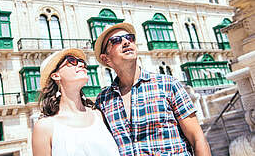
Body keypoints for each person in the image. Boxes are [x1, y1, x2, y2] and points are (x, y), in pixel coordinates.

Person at [94, 23, 211, 156]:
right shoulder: (103, 100)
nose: (126, 42)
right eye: (116, 41)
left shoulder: (168, 85)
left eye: (129, 38)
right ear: (106, 59)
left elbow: (197, 138)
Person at [32, 48, 120, 156]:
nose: (81, 65)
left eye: (82, 62)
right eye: (72, 61)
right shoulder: (45, 127)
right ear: (56, 75)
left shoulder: (98, 115)